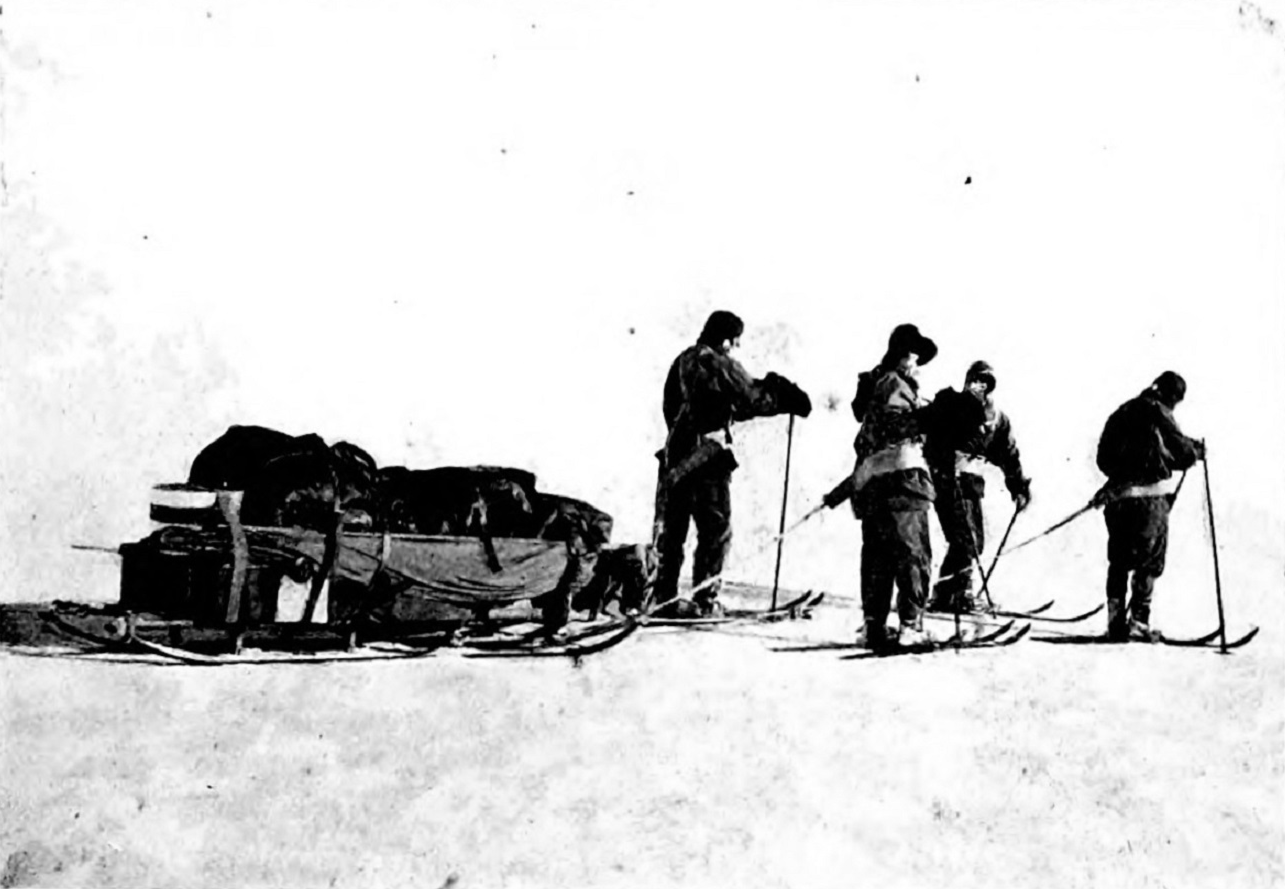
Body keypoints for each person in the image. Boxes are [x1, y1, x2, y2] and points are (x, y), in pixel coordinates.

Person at [822, 324, 977, 649]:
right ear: (906, 355)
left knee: (878, 556)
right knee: (913, 553)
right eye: (916, 358)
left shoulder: (879, 383)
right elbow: (895, 425)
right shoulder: (895, 383)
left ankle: (874, 625)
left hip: (873, 484)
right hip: (903, 482)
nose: (917, 366)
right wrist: (933, 415)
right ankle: (910, 626)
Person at [651, 310, 812, 617]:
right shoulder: (718, 362)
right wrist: (782, 396)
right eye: (735, 342)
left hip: (676, 454)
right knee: (715, 530)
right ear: (726, 340)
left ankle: (663, 597)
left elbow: (685, 406)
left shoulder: (683, 361)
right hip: (707, 458)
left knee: (674, 531)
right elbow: (749, 397)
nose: (736, 348)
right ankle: (704, 601)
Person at [1094, 371, 1204, 641]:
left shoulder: (1123, 411)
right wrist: (1196, 451)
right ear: (1171, 395)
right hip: (1148, 501)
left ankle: (1115, 622)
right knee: (1148, 561)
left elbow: (1103, 457)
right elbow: (1181, 451)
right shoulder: (1158, 412)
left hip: (1117, 498)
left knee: (1119, 560)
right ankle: (1139, 622)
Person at [924, 361, 1031, 614]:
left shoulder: (996, 418)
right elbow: (935, 437)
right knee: (965, 539)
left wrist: (1018, 487)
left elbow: (1008, 453)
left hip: (971, 483)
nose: (980, 386)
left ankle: (946, 593)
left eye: (986, 383)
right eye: (976, 380)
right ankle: (960, 593)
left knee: (973, 542)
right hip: (947, 479)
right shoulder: (952, 406)